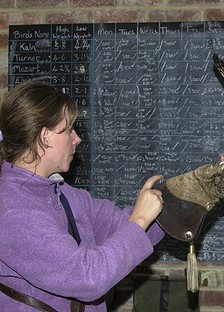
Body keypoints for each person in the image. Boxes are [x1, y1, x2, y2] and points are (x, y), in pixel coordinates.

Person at [0, 80, 165, 311]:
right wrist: (140, 219)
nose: (77, 139)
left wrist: (182, 198)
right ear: (45, 137)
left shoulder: (61, 193)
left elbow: (121, 227)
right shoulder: (13, 212)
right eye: (68, 130)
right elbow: (87, 278)